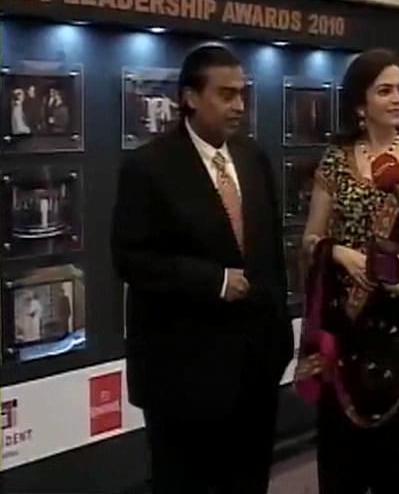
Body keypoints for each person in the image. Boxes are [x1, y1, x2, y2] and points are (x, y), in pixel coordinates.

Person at [111, 44, 293, 494]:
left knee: (249, 480)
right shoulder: (148, 167)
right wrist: (213, 281)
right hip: (184, 376)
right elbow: (132, 258)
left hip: (254, 370)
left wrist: (281, 341)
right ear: (190, 98)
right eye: (226, 95)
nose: (239, 106)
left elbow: (269, 254)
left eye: (243, 94)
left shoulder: (253, 159)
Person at [294, 48, 399, 494]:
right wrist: (339, 253)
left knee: (389, 469)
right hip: (342, 337)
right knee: (339, 468)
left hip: (398, 336)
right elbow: (309, 242)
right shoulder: (336, 161)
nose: (397, 100)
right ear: (359, 104)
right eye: (384, 90)